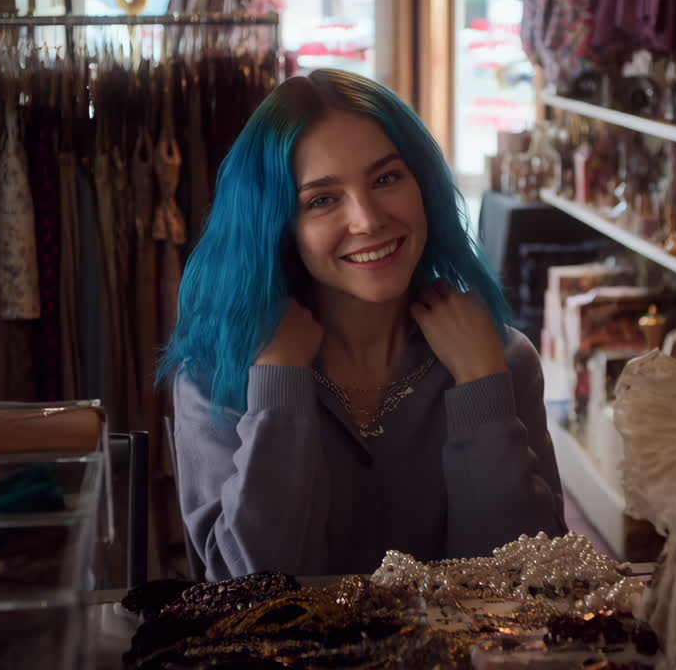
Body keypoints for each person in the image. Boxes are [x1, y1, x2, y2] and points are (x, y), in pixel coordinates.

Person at [159, 68, 566, 581]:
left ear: (425, 187)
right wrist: (279, 387)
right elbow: (245, 590)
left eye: (386, 178)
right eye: (322, 199)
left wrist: (483, 387)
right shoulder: (214, 377)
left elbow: (533, 580)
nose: (368, 220)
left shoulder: (502, 358)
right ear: (279, 225)